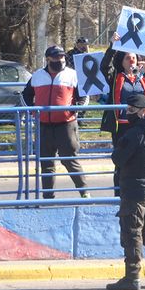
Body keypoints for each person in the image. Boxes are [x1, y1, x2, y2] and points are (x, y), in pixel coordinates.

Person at [106, 94, 145, 290]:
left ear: (143, 111)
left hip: (134, 190)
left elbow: (118, 158)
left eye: (132, 110)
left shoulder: (136, 134)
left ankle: (132, 276)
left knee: (132, 231)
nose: (127, 113)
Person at [100, 33, 145, 194]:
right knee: (121, 161)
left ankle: (139, 191)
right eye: (127, 58)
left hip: (141, 125)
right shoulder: (116, 77)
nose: (131, 61)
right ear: (121, 62)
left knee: (141, 159)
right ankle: (119, 194)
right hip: (121, 126)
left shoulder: (143, 78)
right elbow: (104, 66)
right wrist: (112, 46)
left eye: (134, 58)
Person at [22, 46, 89, 199]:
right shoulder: (37, 76)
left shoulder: (72, 75)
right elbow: (26, 95)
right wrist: (33, 111)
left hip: (66, 125)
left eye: (62, 57)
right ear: (48, 59)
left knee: (70, 160)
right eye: (56, 57)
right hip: (44, 125)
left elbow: (83, 97)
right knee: (46, 163)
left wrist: (75, 109)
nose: (60, 60)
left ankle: (85, 193)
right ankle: (48, 196)